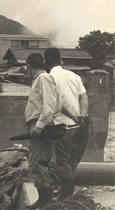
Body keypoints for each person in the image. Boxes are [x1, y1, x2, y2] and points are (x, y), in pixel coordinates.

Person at [44, 48, 89, 200]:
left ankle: (66, 194)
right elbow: (84, 98)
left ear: (46, 62)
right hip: (78, 125)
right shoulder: (74, 76)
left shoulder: (49, 78)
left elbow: (53, 103)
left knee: (62, 161)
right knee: (73, 160)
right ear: (61, 60)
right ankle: (65, 191)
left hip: (60, 126)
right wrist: (81, 116)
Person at [24, 53, 62, 209]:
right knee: (39, 162)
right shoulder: (41, 79)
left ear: (29, 66)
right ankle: (45, 199)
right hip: (39, 124)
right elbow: (56, 105)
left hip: (41, 126)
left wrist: (40, 125)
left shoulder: (43, 79)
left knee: (36, 163)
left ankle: (46, 200)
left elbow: (49, 106)